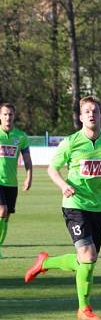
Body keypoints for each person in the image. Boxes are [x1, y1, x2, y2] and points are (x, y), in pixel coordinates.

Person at [24, 96, 101, 320]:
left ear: (100, 115)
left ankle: (45, 263)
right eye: (87, 111)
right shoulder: (71, 142)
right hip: (74, 205)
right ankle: (83, 309)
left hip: (98, 207)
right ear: (81, 117)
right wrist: (63, 186)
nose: (91, 114)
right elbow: (52, 169)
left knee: (86, 260)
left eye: (95, 111)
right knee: (88, 256)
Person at [0, 103, 33, 258]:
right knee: (2, 210)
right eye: (5, 114)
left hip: (11, 183)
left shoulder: (21, 137)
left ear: (14, 116)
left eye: (10, 114)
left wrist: (29, 176)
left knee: (6, 216)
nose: (8, 117)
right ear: (0, 116)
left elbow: (27, 159)